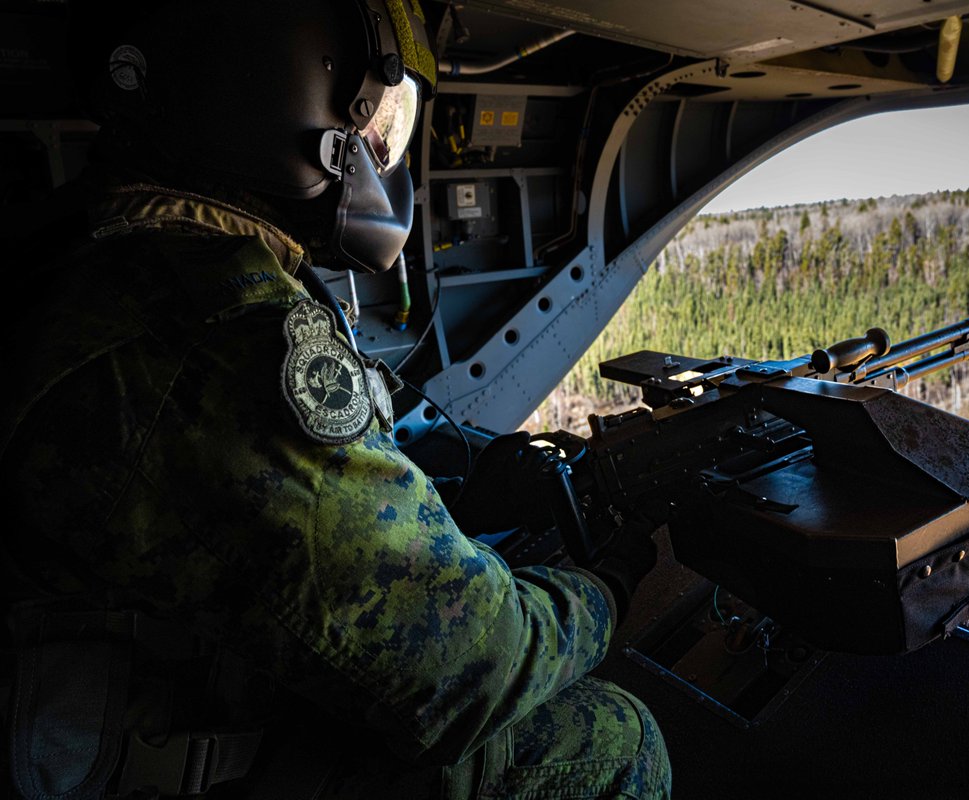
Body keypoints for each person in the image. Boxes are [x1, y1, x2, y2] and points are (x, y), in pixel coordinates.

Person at [1, 1, 670, 797]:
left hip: (145, 682)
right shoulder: (222, 337)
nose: (384, 149)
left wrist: (470, 483)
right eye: (380, 117)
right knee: (617, 737)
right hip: (174, 757)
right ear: (287, 92)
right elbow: (473, 669)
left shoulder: (105, 258)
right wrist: (612, 585)